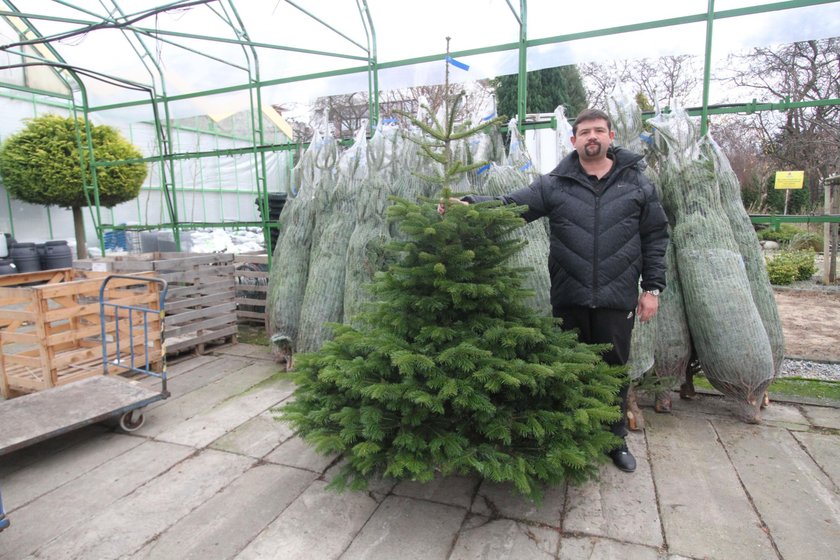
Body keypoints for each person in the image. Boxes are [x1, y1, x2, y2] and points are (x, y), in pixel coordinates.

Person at [440, 108, 669, 472]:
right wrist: (469, 207)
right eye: (584, 132)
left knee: (612, 369)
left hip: (616, 296)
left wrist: (652, 288)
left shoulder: (637, 184)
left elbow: (655, 236)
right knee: (568, 369)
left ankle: (614, 440)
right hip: (570, 295)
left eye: (598, 131)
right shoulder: (555, 184)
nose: (591, 137)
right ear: (573, 140)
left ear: (611, 137)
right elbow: (510, 207)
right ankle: (574, 439)